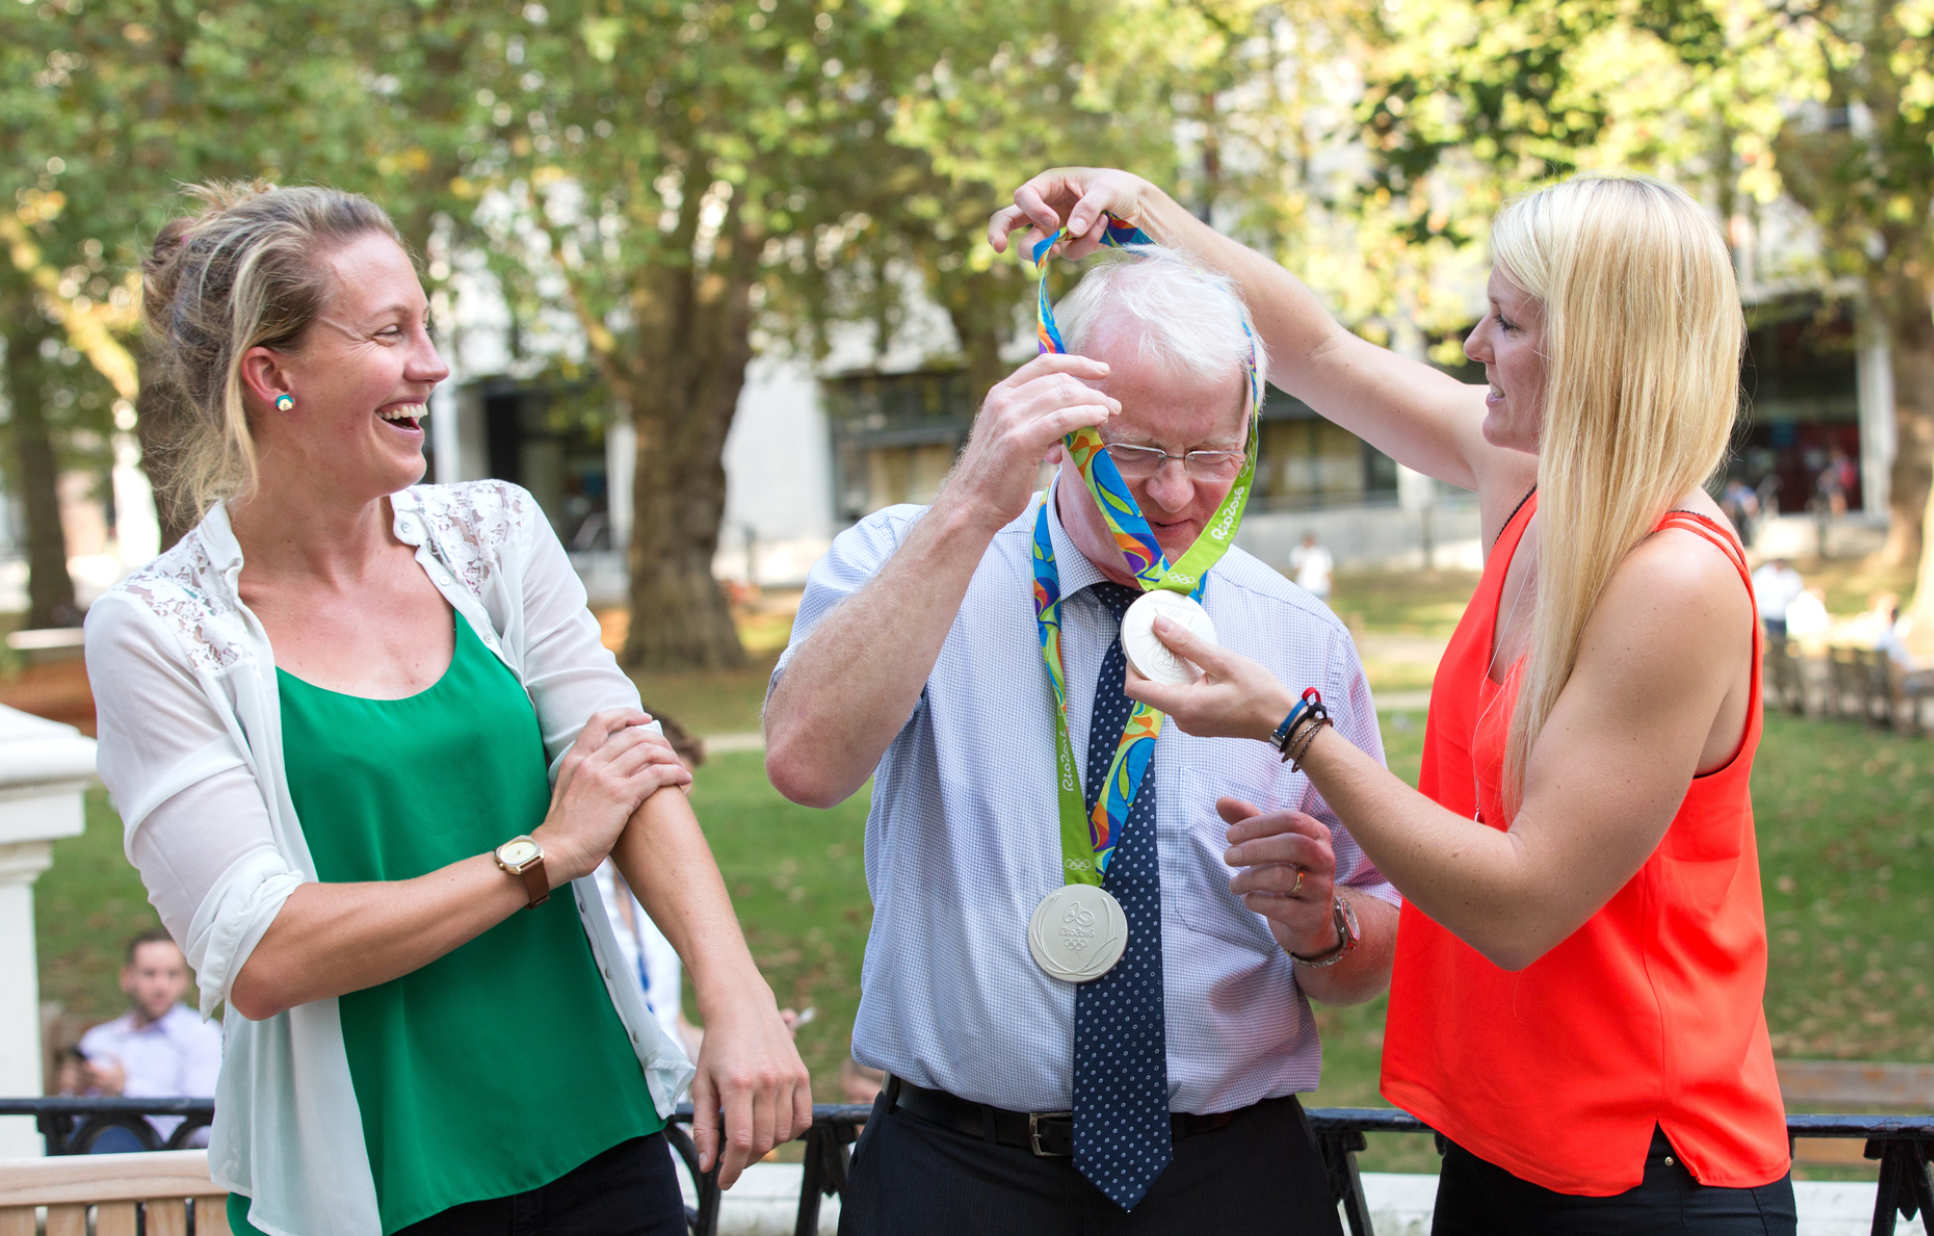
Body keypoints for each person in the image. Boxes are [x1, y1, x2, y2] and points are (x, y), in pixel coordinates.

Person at [992, 169, 1795, 1233]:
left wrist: (1292, 728)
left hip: (1644, 1171)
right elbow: (1320, 353)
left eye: (1507, 322)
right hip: (1505, 1144)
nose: (1471, 344)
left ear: (1597, 350)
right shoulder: (1529, 480)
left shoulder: (1672, 579)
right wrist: (1140, 212)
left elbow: (1521, 907)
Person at [85, 183, 809, 1236]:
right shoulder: (158, 628)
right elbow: (264, 951)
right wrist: (542, 856)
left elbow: (630, 768)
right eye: (390, 333)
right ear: (271, 375)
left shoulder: (493, 536)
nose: (432, 364)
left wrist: (733, 994)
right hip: (374, 1179)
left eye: (427, 327)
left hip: (599, 1137)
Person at [765, 244, 1397, 1235]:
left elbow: (1373, 940)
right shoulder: (912, 559)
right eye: (1137, 452)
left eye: (1212, 455)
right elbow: (803, 764)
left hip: (1228, 1180)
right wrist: (972, 501)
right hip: (957, 1176)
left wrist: (1322, 928)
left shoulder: (1296, 636)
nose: (1176, 496)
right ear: (1058, 416)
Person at [58, 929, 222, 1151]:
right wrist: (74, 1091)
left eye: (172, 974)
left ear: (186, 980)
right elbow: (68, 1130)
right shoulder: (99, 1039)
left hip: (169, 1162)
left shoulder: (202, 1034)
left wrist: (126, 1087)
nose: (161, 986)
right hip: (98, 1155)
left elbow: (205, 1127)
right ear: (126, 978)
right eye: (149, 974)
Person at [1751, 556, 1805, 638]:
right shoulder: (1762, 575)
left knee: (1782, 638)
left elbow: (1796, 592)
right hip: (1768, 615)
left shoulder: (1790, 575)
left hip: (1785, 615)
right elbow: (1756, 595)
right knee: (1773, 638)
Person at [1288, 531, 1334, 600]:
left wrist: (1331, 586)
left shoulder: (1323, 552)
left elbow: (1328, 571)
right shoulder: (1297, 551)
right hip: (1303, 588)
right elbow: (1295, 569)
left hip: (1321, 588)